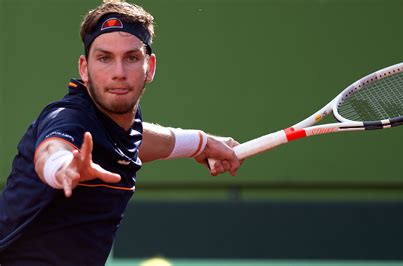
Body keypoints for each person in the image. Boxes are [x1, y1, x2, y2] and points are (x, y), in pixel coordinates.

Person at [0, 0, 242, 264]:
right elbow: (51, 148)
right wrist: (63, 168)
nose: (119, 72)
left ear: (150, 67)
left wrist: (201, 143)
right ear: (84, 69)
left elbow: (135, 140)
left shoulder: (118, 126)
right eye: (104, 58)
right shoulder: (68, 117)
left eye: (131, 58)